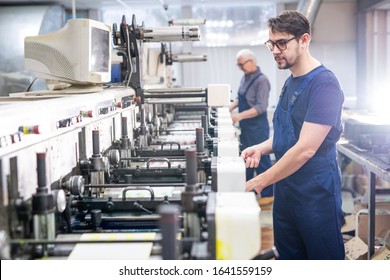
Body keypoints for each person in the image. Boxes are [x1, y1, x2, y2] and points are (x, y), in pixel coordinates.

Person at [241, 11, 345, 260]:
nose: (275, 50)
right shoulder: (291, 81)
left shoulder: (324, 85)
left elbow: (306, 148)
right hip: (286, 191)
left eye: (282, 43)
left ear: (304, 40)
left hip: (315, 195)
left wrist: (261, 179)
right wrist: (262, 147)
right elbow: (289, 135)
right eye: (271, 44)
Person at [229, 49, 273, 197]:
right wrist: (227, 109)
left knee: (261, 161)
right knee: (246, 159)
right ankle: (248, 193)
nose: (240, 67)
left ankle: (267, 196)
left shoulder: (262, 80)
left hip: (257, 127)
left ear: (252, 62)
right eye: (238, 65)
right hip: (247, 127)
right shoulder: (245, 77)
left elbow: (260, 107)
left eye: (242, 64)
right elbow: (239, 98)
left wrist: (239, 116)